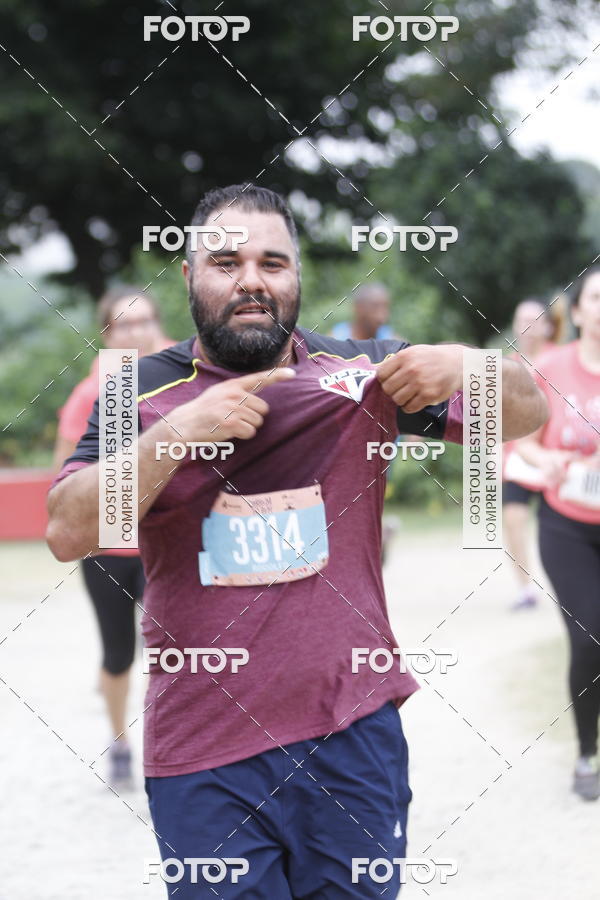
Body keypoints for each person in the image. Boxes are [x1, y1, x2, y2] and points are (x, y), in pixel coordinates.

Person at [46, 184, 547, 898]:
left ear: (297, 279)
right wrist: (181, 434)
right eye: (226, 262)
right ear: (189, 278)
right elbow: (68, 529)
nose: (251, 279)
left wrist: (472, 364)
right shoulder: (141, 396)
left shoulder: (365, 372)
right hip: (204, 754)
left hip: (352, 737)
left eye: (273, 263)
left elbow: (524, 414)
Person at [53, 285, 174, 787]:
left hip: (166, 541)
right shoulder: (94, 392)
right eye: (125, 325)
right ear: (108, 334)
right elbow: (65, 473)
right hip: (107, 544)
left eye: (144, 321)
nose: (137, 332)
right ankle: (121, 742)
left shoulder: (175, 381)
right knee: (119, 652)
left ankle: (174, 747)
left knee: (175, 650)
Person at [517, 265, 600, 802]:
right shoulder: (549, 367)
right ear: (578, 309)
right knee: (589, 637)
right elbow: (522, 441)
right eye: (597, 297)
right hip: (566, 524)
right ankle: (587, 754)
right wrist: (544, 458)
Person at [502, 298, 556, 610]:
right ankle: (526, 589)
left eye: (535, 320)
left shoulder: (560, 361)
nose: (528, 328)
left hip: (555, 458)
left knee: (557, 526)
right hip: (518, 458)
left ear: (548, 326)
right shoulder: (509, 366)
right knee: (513, 520)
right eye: (522, 320)